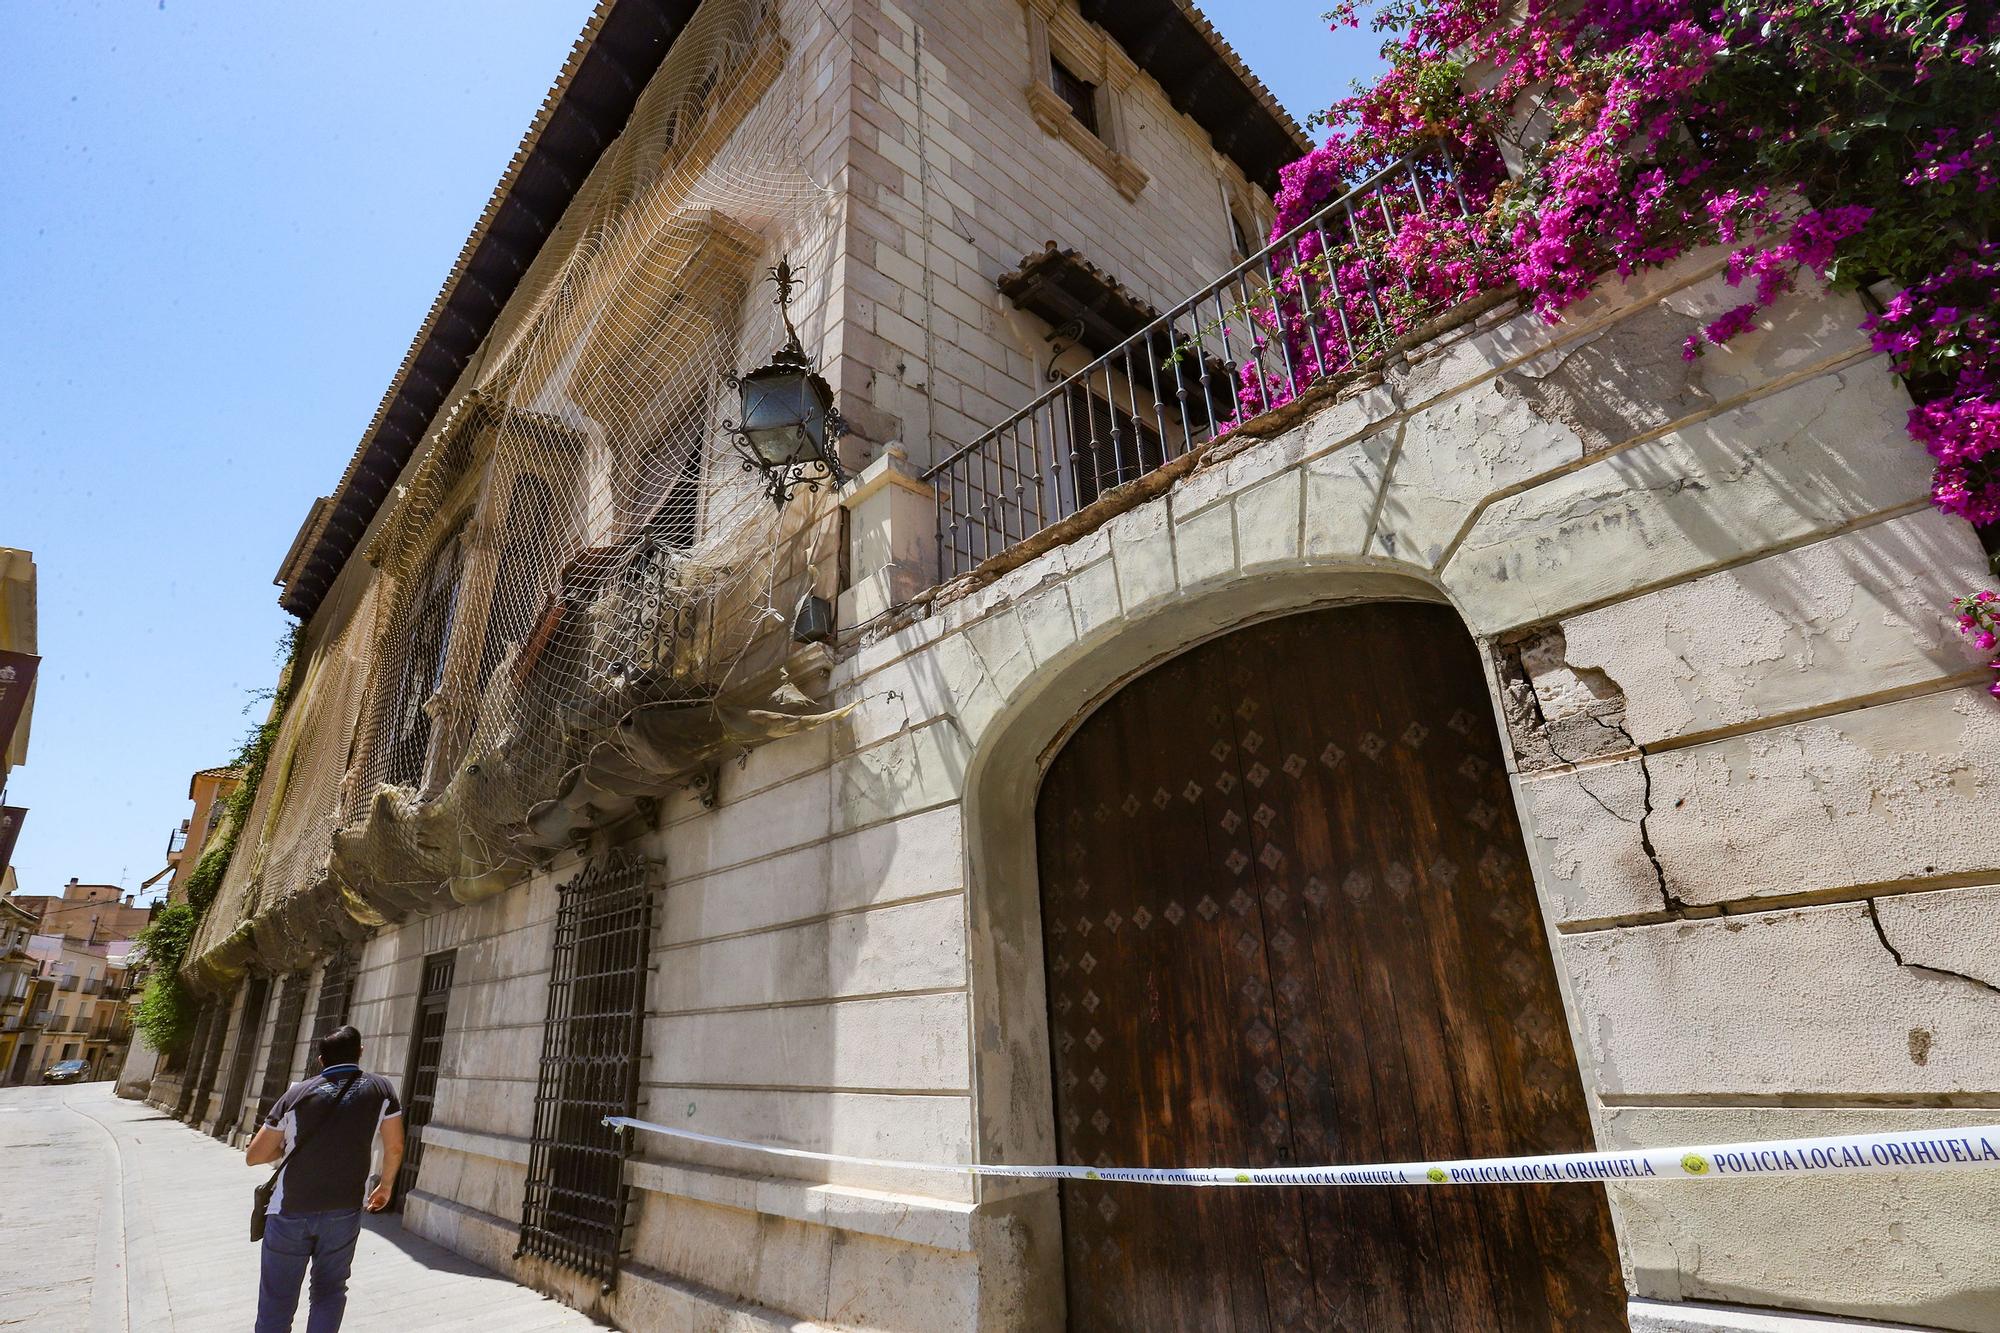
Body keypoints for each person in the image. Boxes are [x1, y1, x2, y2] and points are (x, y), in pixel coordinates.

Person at [244, 1025, 404, 1333]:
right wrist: (386, 1185)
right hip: (343, 1210)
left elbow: (254, 1155)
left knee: (276, 1300)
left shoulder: (296, 1094)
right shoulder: (381, 1089)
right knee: (330, 1291)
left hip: (289, 1210)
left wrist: (284, 1145)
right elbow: (394, 1146)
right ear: (360, 1053)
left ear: (320, 1060)